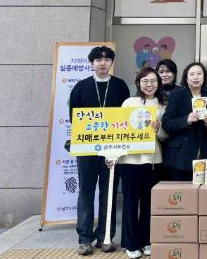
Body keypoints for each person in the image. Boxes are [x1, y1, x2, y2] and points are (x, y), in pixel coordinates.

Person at [69, 46, 130, 256]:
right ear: (91, 63)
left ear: (111, 62)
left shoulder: (120, 86)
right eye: (98, 59)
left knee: (109, 192)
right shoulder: (81, 87)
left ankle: (106, 237)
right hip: (86, 149)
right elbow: (74, 118)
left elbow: (125, 117)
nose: (102, 63)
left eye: (106, 59)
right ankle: (84, 239)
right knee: (85, 192)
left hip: (112, 150)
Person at [119, 67, 167, 259]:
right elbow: (119, 130)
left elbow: (166, 136)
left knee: (149, 204)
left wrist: (159, 129)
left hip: (153, 161)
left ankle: (147, 241)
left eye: (153, 81)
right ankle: (131, 244)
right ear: (138, 83)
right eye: (145, 81)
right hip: (130, 161)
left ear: (158, 83)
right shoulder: (129, 103)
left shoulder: (162, 106)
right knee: (130, 203)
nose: (149, 84)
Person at [162, 62, 207, 181]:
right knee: (181, 191)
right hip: (180, 157)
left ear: (204, 77)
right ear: (186, 78)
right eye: (192, 74)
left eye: (199, 74)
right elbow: (166, 124)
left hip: (204, 154)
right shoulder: (177, 96)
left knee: (202, 191)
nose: (195, 77)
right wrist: (186, 120)